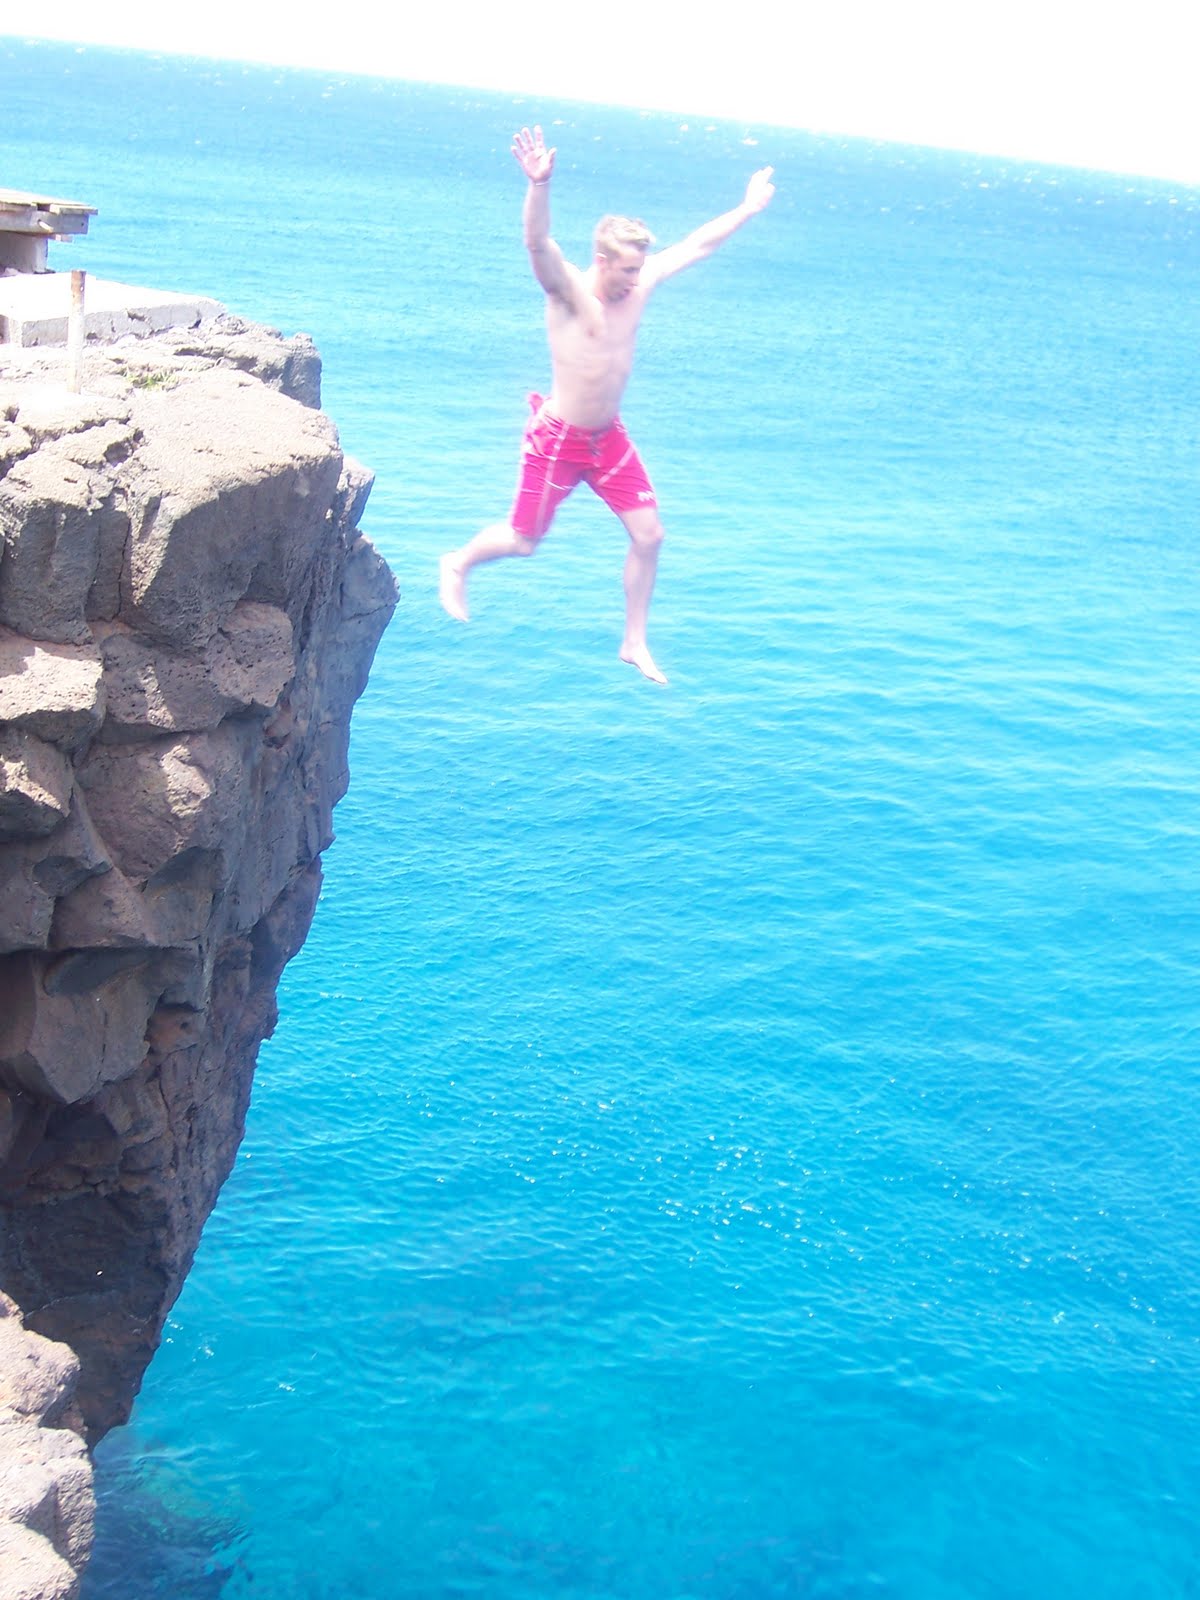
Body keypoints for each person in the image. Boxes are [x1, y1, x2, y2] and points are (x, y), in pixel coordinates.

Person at [439, 125, 775, 684]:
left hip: (608, 439)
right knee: (523, 543)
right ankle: (459, 562)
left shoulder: (639, 286)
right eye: (626, 270)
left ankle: (634, 641)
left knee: (651, 535)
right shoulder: (567, 293)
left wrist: (746, 208)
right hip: (557, 440)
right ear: (601, 259)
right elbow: (537, 244)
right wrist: (539, 185)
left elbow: (697, 245)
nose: (635, 280)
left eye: (640, 270)